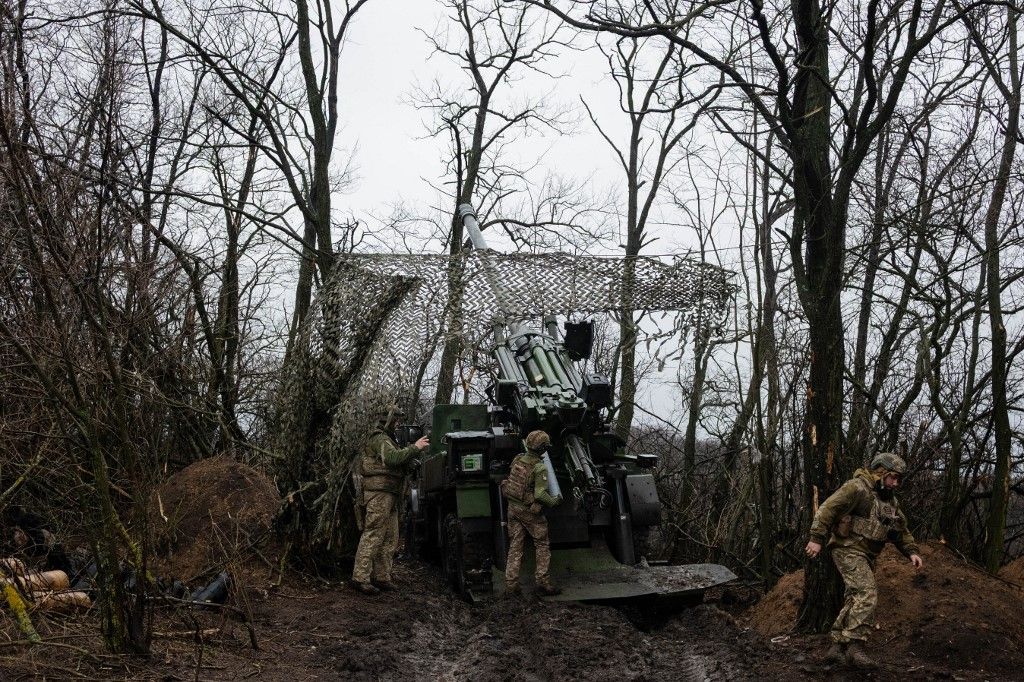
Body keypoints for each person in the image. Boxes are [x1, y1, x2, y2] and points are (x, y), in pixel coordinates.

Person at [804, 452, 924, 668]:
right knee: (867, 593)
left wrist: (911, 551)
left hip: (867, 554)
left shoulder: (890, 502)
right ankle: (855, 647)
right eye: (893, 477)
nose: (896, 483)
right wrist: (816, 538)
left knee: (854, 598)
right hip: (847, 549)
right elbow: (828, 509)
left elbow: (900, 530)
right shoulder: (857, 488)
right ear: (881, 472)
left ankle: (836, 646)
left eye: (898, 479)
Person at [351, 403, 429, 595]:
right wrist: (415, 447)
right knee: (374, 534)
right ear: (387, 419)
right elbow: (393, 458)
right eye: (395, 420)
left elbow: (396, 463)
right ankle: (360, 577)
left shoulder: (388, 439)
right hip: (379, 493)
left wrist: (410, 462)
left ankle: (382, 576)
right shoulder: (379, 438)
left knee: (390, 537)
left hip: (390, 493)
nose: (397, 423)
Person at [501, 430, 563, 597]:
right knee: (542, 544)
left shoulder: (518, 459)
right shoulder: (540, 467)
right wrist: (554, 501)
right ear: (543, 448)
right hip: (529, 512)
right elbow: (539, 495)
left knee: (515, 546)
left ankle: (511, 585)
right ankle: (543, 582)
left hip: (512, 508)